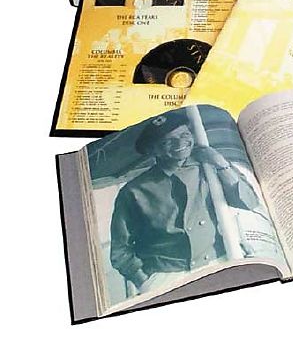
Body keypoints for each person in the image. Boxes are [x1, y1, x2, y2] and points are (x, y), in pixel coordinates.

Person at [110, 111, 259, 293]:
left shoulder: (210, 168)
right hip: (167, 277)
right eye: (167, 141)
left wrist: (220, 163)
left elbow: (249, 202)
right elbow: (120, 250)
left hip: (218, 262)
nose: (180, 143)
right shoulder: (133, 191)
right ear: (152, 150)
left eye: (184, 134)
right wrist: (146, 283)